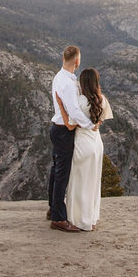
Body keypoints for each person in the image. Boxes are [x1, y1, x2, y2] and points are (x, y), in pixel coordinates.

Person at [47, 46, 96, 233]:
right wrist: (90, 125)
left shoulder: (60, 77)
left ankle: (53, 208)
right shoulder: (68, 82)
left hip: (58, 128)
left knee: (56, 170)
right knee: (62, 174)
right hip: (63, 131)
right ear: (77, 61)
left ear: (63, 58)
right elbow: (74, 110)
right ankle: (59, 218)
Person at [64, 68, 112, 231]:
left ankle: (78, 219)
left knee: (78, 182)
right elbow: (101, 121)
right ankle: (90, 218)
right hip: (96, 143)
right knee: (93, 181)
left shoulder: (79, 101)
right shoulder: (102, 100)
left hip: (82, 143)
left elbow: (70, 124)